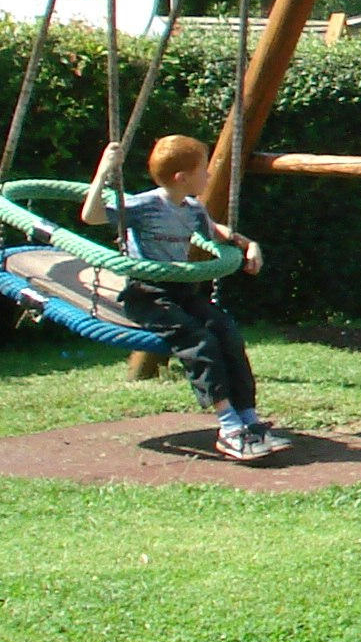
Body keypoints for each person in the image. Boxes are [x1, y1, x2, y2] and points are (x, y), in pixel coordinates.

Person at [80, 134, 287, 462]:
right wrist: (104, 170)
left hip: (181, 291)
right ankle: (229, 426)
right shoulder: (143, 206)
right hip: (147, 294)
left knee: (227, 332)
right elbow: (91, 216)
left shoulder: (191, 208)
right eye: (204, 169)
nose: (208, 174)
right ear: (182, 178)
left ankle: (249, 418)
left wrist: (249, 245)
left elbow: (216, 231)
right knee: (200, 341)